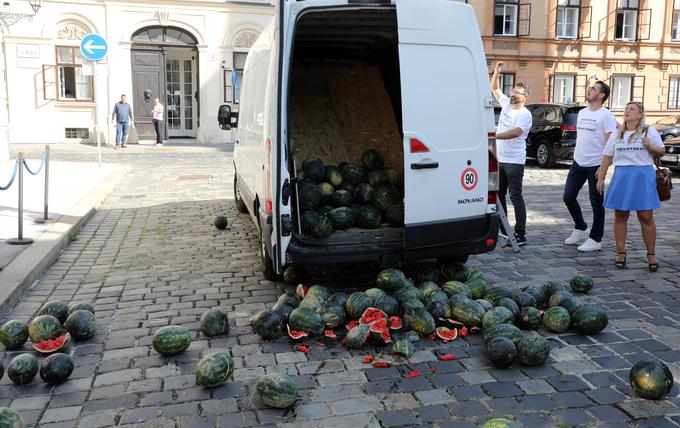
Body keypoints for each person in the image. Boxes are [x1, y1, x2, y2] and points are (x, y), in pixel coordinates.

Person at [596, 101, 665, 271]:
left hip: (643, 176)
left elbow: (661, 150)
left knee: (646, 216)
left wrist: (651, 146)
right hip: (622, 176)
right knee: (620, 216)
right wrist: (601, 177)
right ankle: (620, 253)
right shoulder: (617, 134)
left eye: (632, 109)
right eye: (626, 109)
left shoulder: (649, 130)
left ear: (640, 114)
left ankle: (651, 254)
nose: (627, 111)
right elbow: (607, 156)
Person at [563, 81, 618, 252]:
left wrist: (603, 170)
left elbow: (611, 144)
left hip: (596, 165)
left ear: (601, 95)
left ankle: (596, 239)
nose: (589, 90)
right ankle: (580, 227)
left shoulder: (606, 115)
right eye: (589, 87)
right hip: (578, 162)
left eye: (593, 89)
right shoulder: (581, 113)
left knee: (596, 203)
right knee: (568, 197)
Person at [490, 62, 533, 245]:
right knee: (498, 196)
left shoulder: (525, 114)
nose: (513, 94)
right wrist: (497, 72)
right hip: (500, 159)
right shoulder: (506, 103)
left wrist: (495, 136)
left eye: (518, 92)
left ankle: (521, 234)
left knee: (516, 196)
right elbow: (494, 88)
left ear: (525, 97)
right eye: (513, 90)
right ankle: (505, 231)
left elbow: (516, 132)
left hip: (514, 162)